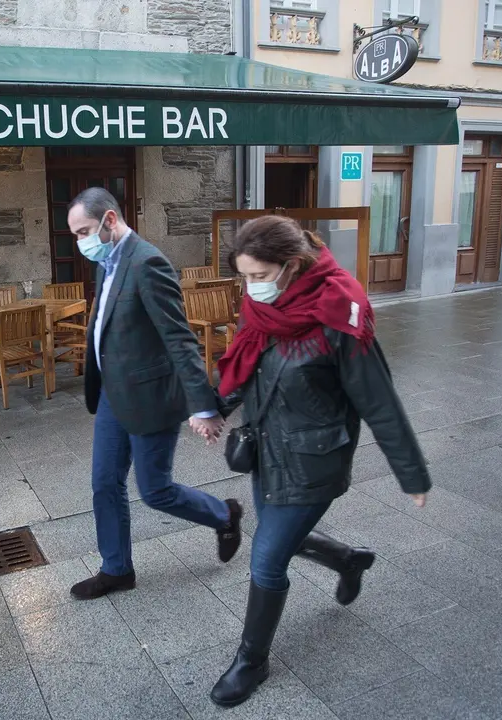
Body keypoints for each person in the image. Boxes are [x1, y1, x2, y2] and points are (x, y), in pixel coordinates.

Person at [206, 215, 430, 708]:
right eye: (244, 276)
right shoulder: (260, 306)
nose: (251, 287)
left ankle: (251, 661)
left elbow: (379, 401)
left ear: (292, 265)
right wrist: (216, 405)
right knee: (279, 538)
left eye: (260, 276)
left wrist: (411, 473)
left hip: (314, 461)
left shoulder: (340, 314)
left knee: (267, 557)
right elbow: (246, 361)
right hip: (267, 450)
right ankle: (349, 560)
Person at [66, 187, 243, 602]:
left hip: (150, 397)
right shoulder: (107, 262)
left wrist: (203, 406)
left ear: (110, 220)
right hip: (112, 395)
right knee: (104, 484)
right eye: (75, 236)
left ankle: (224, 514)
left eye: (84, 232)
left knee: (155, 491)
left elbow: (179, 340)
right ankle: (116, 570)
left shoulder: (148, 263)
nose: (81, 243)